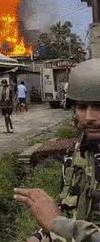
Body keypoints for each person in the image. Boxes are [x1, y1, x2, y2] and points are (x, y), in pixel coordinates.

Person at [15, 58, 100, 242]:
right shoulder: (80, 154)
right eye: (82, 107)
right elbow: (71, 213)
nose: (88, 117)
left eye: (98, 107)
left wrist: (56, 223)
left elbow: (63, 224)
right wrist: (40, 236)